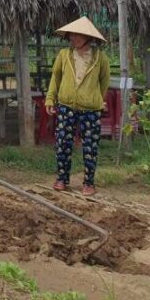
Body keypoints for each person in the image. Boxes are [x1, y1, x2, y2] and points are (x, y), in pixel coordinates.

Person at [45, 16, 110, 197]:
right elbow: (55, 78)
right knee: (63, 144)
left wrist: (96, 98)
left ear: (88, 37)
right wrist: (50, 99)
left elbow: (104, 81)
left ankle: (89, 183)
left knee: (90, 146)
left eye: (78, 35)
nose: (74, 38)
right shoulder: (64, 55)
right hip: (66, 107)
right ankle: (62, 179)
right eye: (72, 35)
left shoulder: (100, 58)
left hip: (91, 110)